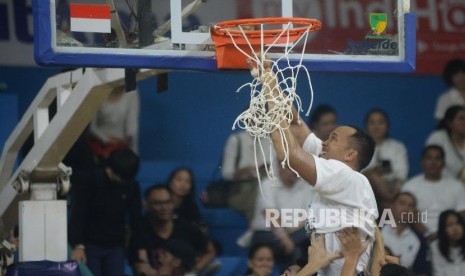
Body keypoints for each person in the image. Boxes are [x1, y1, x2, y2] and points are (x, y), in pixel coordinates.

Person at [258, 57, 378, 275]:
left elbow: (289, 154)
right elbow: (296, 125)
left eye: (332, 138)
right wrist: (270, 80)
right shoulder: (337, 169)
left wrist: (268, 92)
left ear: (350, 154)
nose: (324, 142)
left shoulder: (347, 177)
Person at [69, 149, 142, 276]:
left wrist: (138, 251)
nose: (122, 182)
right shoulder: (92, 180)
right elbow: (78, 214)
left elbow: (136, 219)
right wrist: (78, 245)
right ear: (109, 169)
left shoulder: (131, 185)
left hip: (115, 245)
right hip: (90, 244)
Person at [130, 185, 216, 276]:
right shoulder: (140, 232)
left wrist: (194, 271)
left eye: (168, 202)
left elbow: (210, 251)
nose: (164, 207)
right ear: (146, 205)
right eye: (158, 203)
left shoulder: (187, 227)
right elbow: (139, 268)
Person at [250, 163, 315, 271]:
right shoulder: (268, 183)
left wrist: (290, 235)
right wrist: (285, 238)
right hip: (268, 233)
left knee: (312, 231)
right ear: (281, 168)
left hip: (294, 233)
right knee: (296, 249)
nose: (296, 173)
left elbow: (307, 217)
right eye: (292, 169)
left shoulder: (305, 186)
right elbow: (270, 215)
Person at [402, 145, 465, 240]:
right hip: (419, 237)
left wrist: (444, 235)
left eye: (437, 158)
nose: (433, 163)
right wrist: (428, 236)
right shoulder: (410, 186)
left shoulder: (457, 186)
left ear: (444, 163)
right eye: (429, 158)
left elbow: (462, 215)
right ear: (422, 162)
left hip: (451, 238)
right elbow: (406, 216)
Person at [363, 109, 409, 211]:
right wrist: (374, 171)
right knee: (373, 176)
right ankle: (393, 202)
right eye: (372, 123)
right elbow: (357, 172)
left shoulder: (397, 147)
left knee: (387, 204)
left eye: (381, 122)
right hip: (365, 189)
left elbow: (402, 174)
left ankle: (390, 202)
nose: (376, 127)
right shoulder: (360, 147)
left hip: (392, 187)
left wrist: (396, 188)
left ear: (387, 125)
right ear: (366, 126)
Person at [381, 192, 430, 275]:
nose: (406, 208)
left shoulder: (420, 241)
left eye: (410, 206)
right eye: (402, 203)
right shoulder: (377, 232)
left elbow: (422, 273)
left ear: (414, 212)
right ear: (392, 207)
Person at [89, 86, 140, 158]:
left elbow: (132, 129)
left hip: (121, 147)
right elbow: (91, 127)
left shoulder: (131, 91)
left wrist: (133, 154)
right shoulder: (98, 89)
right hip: (98, 146)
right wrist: (106, 140)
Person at [426, 105, 465, 180]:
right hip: (443, 183)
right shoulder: (438, 138)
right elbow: (432, 164)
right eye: (461, 119)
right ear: (449, 123)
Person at [431, 210, 465, 276]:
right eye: (449, 225)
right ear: (442, 229)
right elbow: (438, 273)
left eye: (458, 223)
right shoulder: (435, 246)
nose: (455, 228)